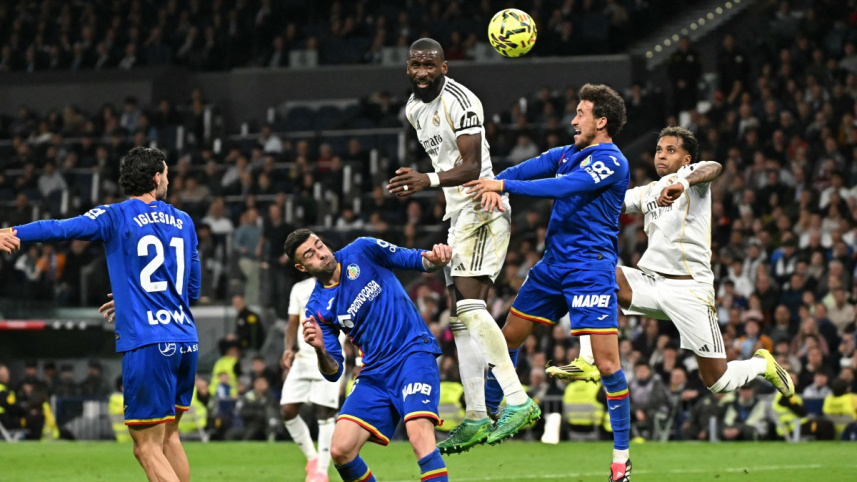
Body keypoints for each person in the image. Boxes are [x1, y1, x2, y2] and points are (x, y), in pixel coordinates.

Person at [549, 127, 794, 407]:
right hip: (651, 284)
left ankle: (762, 365)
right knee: (594, 274)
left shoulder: (694, 179)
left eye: (670, 150)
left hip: (690, 290)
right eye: (658, 150)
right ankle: (587, 359)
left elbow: (715, 167)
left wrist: (684, 184)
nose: (662, 155)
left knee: (718, 381)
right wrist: (572, 187)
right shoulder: (649, 192)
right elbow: (609, 202)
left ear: (686, 159)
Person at [464, 83, 633, 481]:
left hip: (590, 267)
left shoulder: (612, 160)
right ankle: (495, 414)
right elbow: (530, 167)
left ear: (601, 121)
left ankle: (621, 458)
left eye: (581, 113)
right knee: (508, 339)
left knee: (608, 364)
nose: (573, 120)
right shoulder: (569, 153)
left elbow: (564, 186)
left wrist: (504, 187)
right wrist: (492, 184)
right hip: (553, 265)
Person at [386, 37, 537, 453]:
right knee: (460, 316)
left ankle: (517, 398)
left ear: (444, 67)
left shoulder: (463, 101)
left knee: (470, 308)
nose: (421, 71)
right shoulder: (414, 110)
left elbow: (470, 165)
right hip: (459, 213)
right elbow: (445, 163)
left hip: (483, 207)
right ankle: (475, 414)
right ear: (408, 68)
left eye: (429, 64)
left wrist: (426, 181)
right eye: (415, 64)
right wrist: (436, 188)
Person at [14, 147, 200, 482]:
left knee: (145, 447)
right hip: (186, 340)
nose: (168, 180)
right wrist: (133, 297)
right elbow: (192, 290)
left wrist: (14, 233)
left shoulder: (116, 215)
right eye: (167, 174)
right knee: (168, 437)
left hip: (148, 343)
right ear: (156, 178)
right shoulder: (184, 221)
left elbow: (60, 229)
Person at [285, 229, 451, 482]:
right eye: (310, 254)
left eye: (318, 245)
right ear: (302, 267)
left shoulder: (362, 249)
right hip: (374, 372)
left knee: (418, 435)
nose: (320, 253)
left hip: (412, 352)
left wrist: (435, 260)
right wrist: (319, 348)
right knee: (341, 450)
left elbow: (416, 259)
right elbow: (333, 372)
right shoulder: (316, 307)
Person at [281, 276, 345, 482]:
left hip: (329, 356)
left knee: (325, 412)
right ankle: (313, 459)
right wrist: (288, 349)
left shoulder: (342, 285)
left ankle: (321, 472)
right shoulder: (299, 288)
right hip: (302, 358)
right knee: (287, 410)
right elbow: (292, 323)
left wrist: (359, 360)